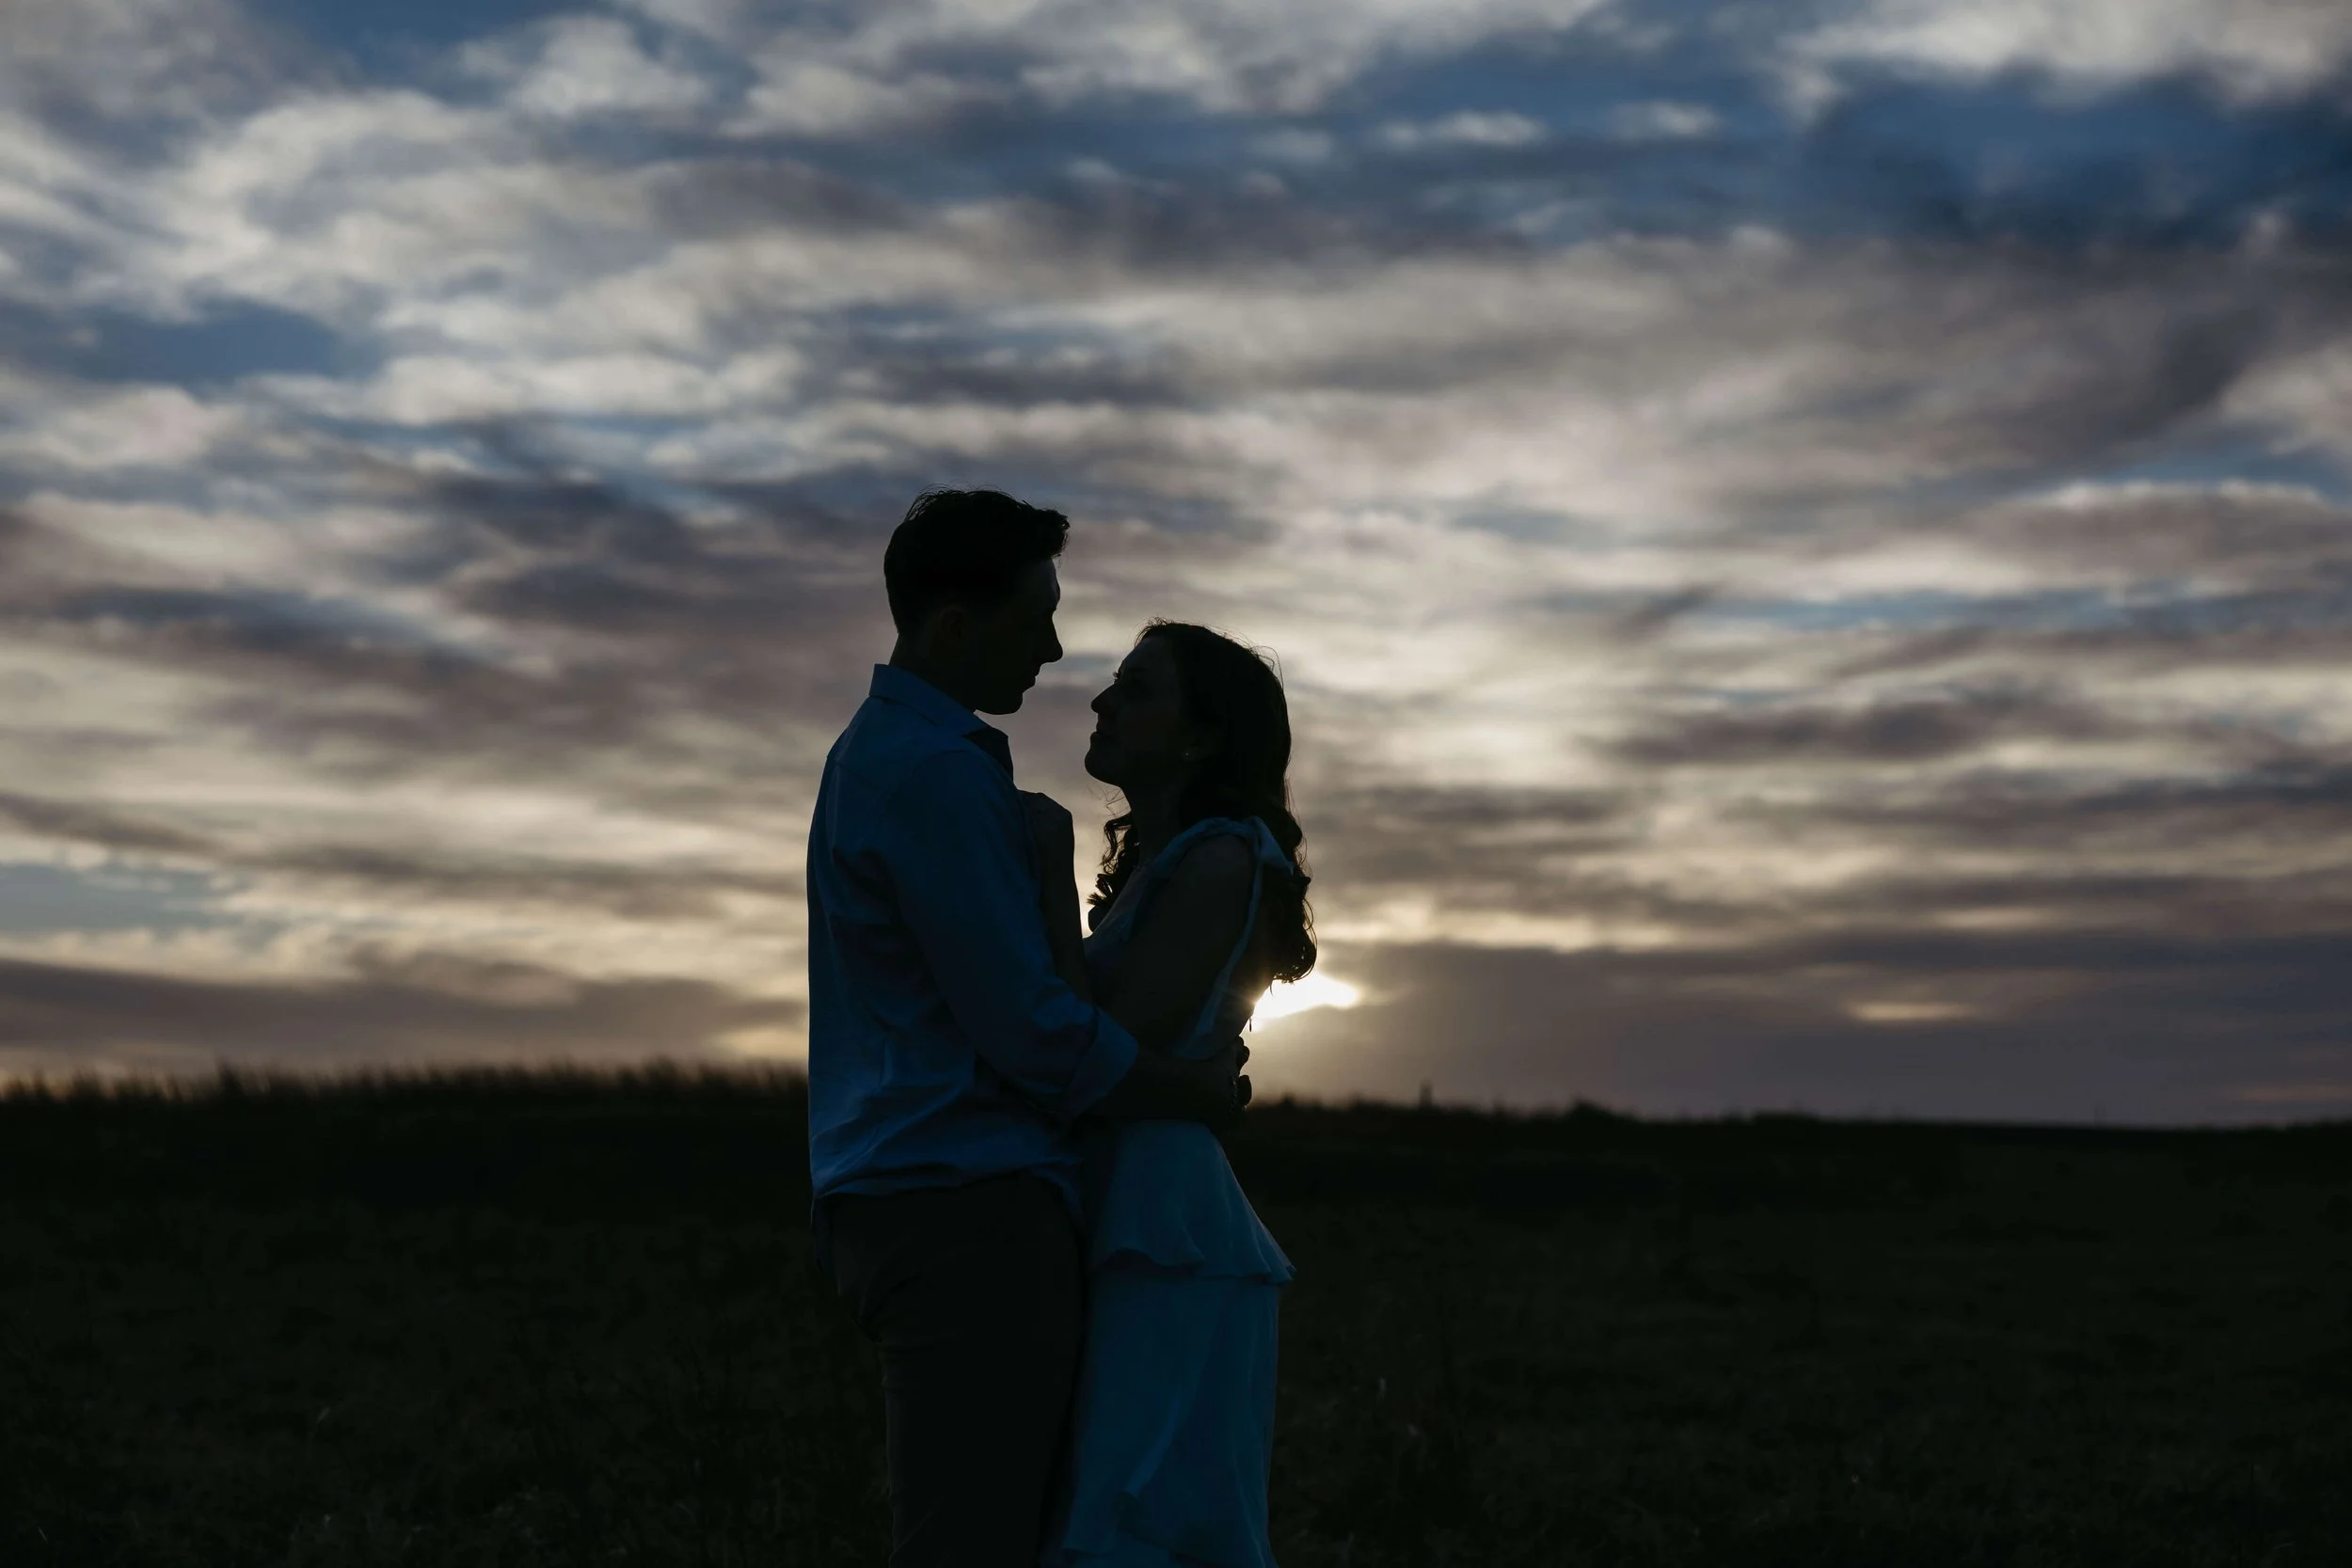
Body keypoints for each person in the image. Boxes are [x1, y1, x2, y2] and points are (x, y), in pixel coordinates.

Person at [805, 490, 1249, 1568]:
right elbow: (1034, 1029)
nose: (1055, 650)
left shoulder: (891, 761)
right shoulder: (933, 777)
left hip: (920, 1191)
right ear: (953, 626)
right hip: (965, 1203)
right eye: (1035, 616)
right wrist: (1185, 1090)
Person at [1039, 620, 1314, 1568]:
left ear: (1201, 736)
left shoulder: (1222, 856)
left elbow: (1108, 1044)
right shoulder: (1165, 860)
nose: (1104, 701)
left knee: (1141, 1507)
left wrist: (1038, 878)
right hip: (1122, 1198)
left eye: (1138, 687)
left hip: (1162, 1225)